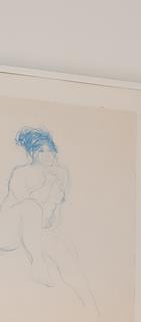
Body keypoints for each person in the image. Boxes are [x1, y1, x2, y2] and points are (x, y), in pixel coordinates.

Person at [0, 127, 97, 309]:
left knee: (67, 256)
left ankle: (92, 307)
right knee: (31, 206)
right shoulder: (22, 172)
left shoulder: (61, 173)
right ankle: (38, 263)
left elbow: (53, 214)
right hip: (9, 229)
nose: (47, 155)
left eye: (50, 149)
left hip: (39, 229)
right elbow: (26, 207)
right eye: (40, 151)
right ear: (31, 154)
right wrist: (48, 185)